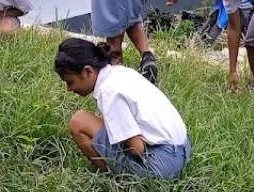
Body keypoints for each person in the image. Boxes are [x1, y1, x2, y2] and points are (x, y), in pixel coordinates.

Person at [54, 38, 191, 180]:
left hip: (162, 165)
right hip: (183, 148)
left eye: (70, 82)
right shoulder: (120, 72)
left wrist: (118, 137)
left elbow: (136, 149)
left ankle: (114, 179)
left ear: (88, 71)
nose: (69, 89)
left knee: (79, 121)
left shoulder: (108, 92)